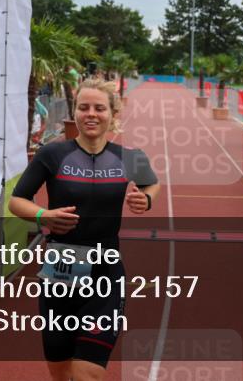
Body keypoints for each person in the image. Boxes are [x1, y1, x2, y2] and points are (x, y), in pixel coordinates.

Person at [10, 78, 160, 381]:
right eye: (84, 107)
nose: (91, 114)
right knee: (61, 370)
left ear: (112, 114)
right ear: (75, 112)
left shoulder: (129, 157)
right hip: (60, 273)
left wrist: (145, 199)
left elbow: (152, 184)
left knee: (86, 372)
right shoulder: (52, 155)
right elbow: (17, 200)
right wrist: (44, 215)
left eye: (99, 108)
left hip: (106, 272)